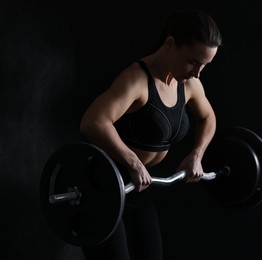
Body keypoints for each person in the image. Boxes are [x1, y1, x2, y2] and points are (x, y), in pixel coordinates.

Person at [79, 9, 223, 260]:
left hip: (140, 188)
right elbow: (93, 121)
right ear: (170, 44)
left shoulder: (188, 83)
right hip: (105, 187)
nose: (198, 72)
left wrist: (196, 155)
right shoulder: (136, 80)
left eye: (204, 65)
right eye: (192, 61)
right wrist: (132, 161)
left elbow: (208, 117)